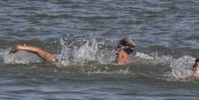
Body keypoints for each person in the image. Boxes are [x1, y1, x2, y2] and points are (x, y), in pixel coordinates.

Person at [8, 37, 136, 65]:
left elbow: (119, 61)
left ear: (121, 46)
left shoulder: (121, 53)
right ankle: (20, 47)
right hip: (81, 63)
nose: (116, 48)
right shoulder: (126, 57)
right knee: (48, 57)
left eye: (118, 45)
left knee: (47, 57)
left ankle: (20, 47)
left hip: (68, 63)